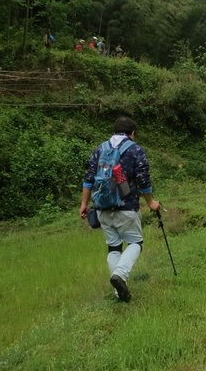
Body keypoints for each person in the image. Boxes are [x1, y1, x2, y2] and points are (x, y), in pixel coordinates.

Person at [80, 116, 160, 302]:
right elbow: (143, 180)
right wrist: (150, 202)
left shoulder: (100, 148)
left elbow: (88, 178)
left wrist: (84, 204)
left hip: (102, 209)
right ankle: (120, 276)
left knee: (114, 247)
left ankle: (119, 292)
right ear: (132, 134)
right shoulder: (135, 150)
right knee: (135, 243)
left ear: (114, 131)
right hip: (126, 207)